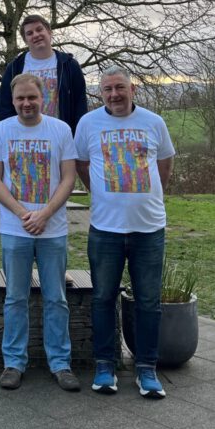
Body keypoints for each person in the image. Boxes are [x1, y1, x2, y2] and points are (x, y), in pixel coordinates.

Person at [74, 66, 175, 399]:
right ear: (100, 93)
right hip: (106, 229)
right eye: (107, 89)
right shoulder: (88, 124)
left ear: (133, 90)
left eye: (120, 88)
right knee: (103, 298)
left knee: (149, 301)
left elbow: (164, 164)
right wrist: (100, 193)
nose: (114, 94)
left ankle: (147, 368)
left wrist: (148, 197)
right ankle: (105, 365)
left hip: (149, 228)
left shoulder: (154, 122)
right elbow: (82, 164)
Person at [0, 74, 79, 392]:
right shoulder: (1, 131)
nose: (26, 103)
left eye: (32, 97)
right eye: (20, 98)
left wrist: (45, 213)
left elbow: (69, 178)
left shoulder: (60, 130)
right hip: (16, 229)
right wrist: (23, 213)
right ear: (13, 101)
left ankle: (61, 363)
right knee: (15, 298)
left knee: (56, 298)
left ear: (43, 98)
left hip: (53, 230)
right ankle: (14, 362)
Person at [0, 14, 87, 133]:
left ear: (49, 32)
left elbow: (80, 105)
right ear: (25, 40)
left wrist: (76, 134)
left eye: (39, 29)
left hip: (59, 134)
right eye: (29, 33)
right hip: (24, 136)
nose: (35, 35)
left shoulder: (69, 65)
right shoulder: (14, 68)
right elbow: (5, 107)